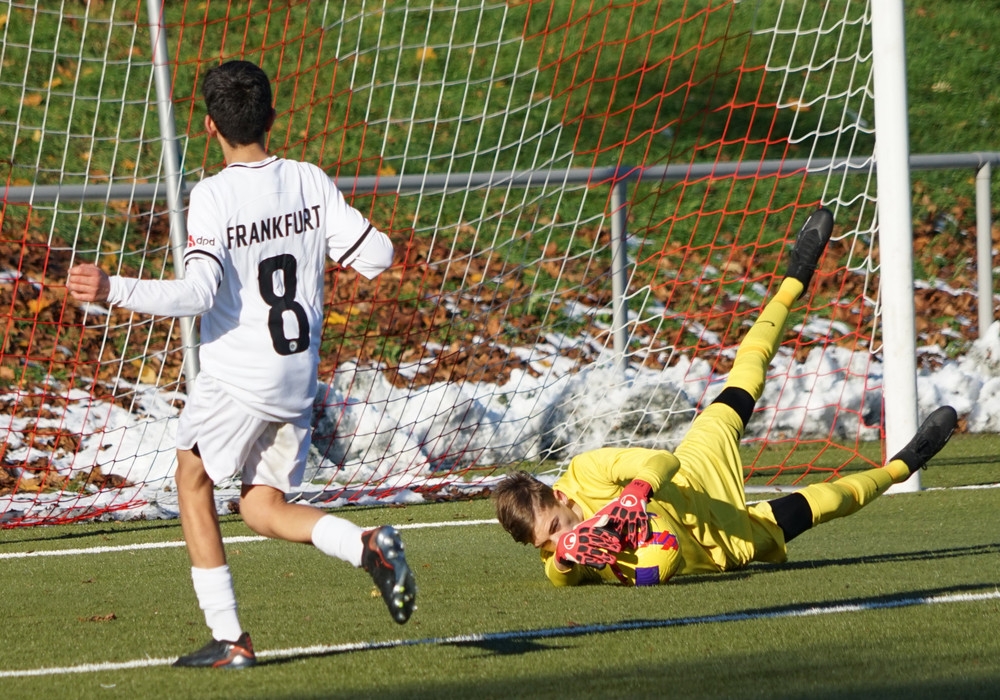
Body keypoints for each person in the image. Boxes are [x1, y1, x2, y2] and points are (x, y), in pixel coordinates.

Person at [67, 60, 416, 668]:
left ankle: (230, 638)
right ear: (271, 118)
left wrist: (112, 289)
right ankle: (365, 547)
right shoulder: (308, 178)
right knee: (260, 506)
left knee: (192, 480)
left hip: (240, 376)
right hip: (297, 376)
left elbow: (199, 295)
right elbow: (380, 255)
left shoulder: (214, 194)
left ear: (209, 127)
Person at [492, 208, 958, 587]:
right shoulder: (568, 554)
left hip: (695, 473)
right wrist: (565, 561)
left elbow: (661, 463)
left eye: (556, 527)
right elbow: (565, 576)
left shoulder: (585, 472)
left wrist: (634, 495)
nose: (561, 540)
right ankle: (905, 463)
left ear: (557, 496)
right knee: (824, 502)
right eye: (547, 544)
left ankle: (795, 277)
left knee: (744, 376)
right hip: (730, 543)